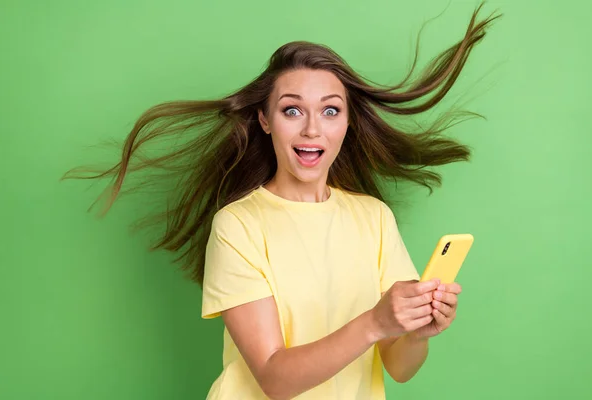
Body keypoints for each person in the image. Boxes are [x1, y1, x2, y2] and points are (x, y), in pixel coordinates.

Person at [64, 3, 499, 399]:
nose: (312, 129)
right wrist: (375, 322)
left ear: (347, 123)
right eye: (292, 110)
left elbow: (399, 368)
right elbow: (274, 378)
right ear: (265, 121)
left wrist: (417, 332)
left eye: (330, 110)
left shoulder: (373, 217)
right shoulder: (238, 225)